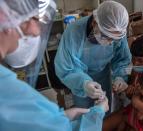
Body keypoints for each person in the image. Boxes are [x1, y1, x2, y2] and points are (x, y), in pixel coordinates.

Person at [0, 0, 109, 131]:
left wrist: (59, 116)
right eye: (35, 19)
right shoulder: (7, 92)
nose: (36, 32)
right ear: (3, 15)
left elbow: (29, 121)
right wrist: (97, 113)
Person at [54, 1, 131, 111]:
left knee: (104, 112)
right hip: (79, 79)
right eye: (106, 36)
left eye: (113, 39)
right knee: (85, 114)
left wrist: (120, 77)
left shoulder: (116, 32)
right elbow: (66, 69)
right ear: (95, 22)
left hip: (104, 76)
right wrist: (84, 83)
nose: (110, 42)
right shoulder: (73, 32)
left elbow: (122, 59)